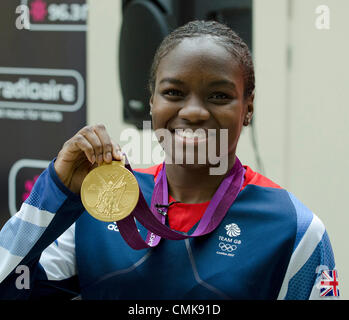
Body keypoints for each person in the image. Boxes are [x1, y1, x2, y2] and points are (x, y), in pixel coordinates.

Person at [0, 20, 339, 300]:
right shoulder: (98, 207)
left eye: (219, 96)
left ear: (247, 108)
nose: (193, 111)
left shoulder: (293, 229)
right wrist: (55, 191)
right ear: (151, 103)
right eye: (174, 93)